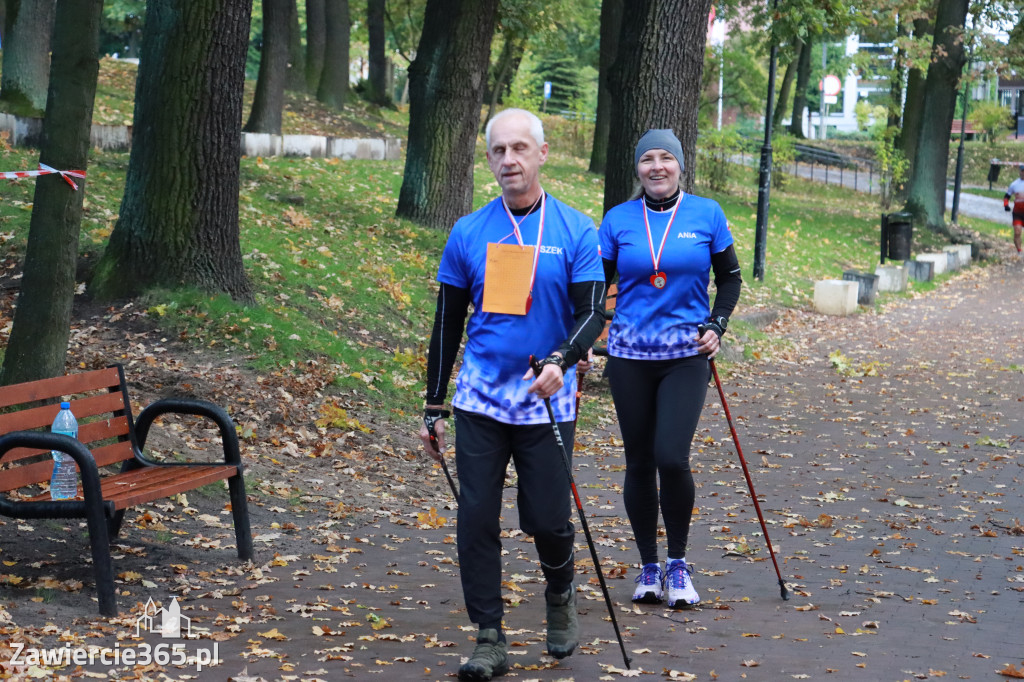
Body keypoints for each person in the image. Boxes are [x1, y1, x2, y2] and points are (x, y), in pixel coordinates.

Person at [418, 108, 606, 682]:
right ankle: (489, 637)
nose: (509, 160)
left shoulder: (575, 230)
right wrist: (433, 405)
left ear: (542, 154)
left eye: (520, 148)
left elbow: (592, 310)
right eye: (498, 151)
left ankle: (559, 593)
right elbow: (448, 322)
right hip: (480, 397)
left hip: (547, 397)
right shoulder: (469, 231)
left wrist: (564, 359)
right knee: (476, 517)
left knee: (547, 519)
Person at [598, 129, 742, 609]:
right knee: (638, 460)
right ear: (637, 168)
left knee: (671, 457)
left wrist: (717, 324)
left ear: (680, 165)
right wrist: (582, 339)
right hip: (629, 357)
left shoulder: (707, 214)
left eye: (665, 158)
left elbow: (730, 278)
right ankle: (648, 567)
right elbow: (595, 287)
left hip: (685, 356)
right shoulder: (618, 219)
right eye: (647, 160)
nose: (656, 167)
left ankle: (678, 565)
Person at [1003, 163, 1024, 257]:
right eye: (1022, 171)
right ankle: (1019, 251)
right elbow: (1007, 196)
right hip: (1018, 213)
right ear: (1020, 172)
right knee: (1017, 232)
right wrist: (1006, 205)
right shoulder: (1014, 184)